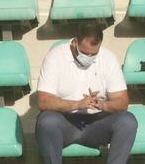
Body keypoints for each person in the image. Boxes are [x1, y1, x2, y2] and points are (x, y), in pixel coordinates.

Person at [35, 26, 136, 164]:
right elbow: (43, 101)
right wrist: (77, 104)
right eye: (84, 52)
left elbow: (123, 102)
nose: (89, 57)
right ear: (75, 42)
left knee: (127, 121)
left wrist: (102, 104)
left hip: (97, 124)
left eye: (94, 54)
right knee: (47, 121)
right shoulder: (54, 57)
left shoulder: (108, 58)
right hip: (65, 122)